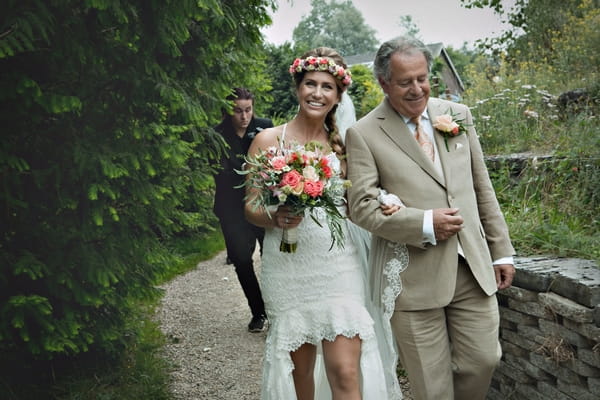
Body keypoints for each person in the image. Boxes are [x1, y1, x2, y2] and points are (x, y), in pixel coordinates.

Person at [345, 36, 516, 400]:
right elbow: (360, 206)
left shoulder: (457, 116)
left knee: (484, 359)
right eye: (405, 82)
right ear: (384, 83)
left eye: (422, 78)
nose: (417, 88)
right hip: (413, 279)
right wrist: (423, 223)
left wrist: (501, 251)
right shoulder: (363, 133)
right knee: (431, 387)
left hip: (472, 265)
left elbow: (481, 188)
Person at [244, 47, 402, 400]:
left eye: (327, 86)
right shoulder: (268, 141)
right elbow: (250, 206)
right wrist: (274, 215)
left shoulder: (346, 147)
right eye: (310, 84)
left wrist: (386, 204)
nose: (317, 93)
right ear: (298, 88)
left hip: (338, 263)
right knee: (300, 375)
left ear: (338, 95)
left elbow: (360, 200)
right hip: (287, 264)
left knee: (345, 371)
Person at [213, 87, 273, 333]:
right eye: (238, 111)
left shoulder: (265, 127)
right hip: (231, 207)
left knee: (271, 256)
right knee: (241, 260)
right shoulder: (216, 135)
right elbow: (219, 172)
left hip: (262, 204)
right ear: (228, 111)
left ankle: (277, 309)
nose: (244, 116)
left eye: (248, 110)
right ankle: (258, 312)